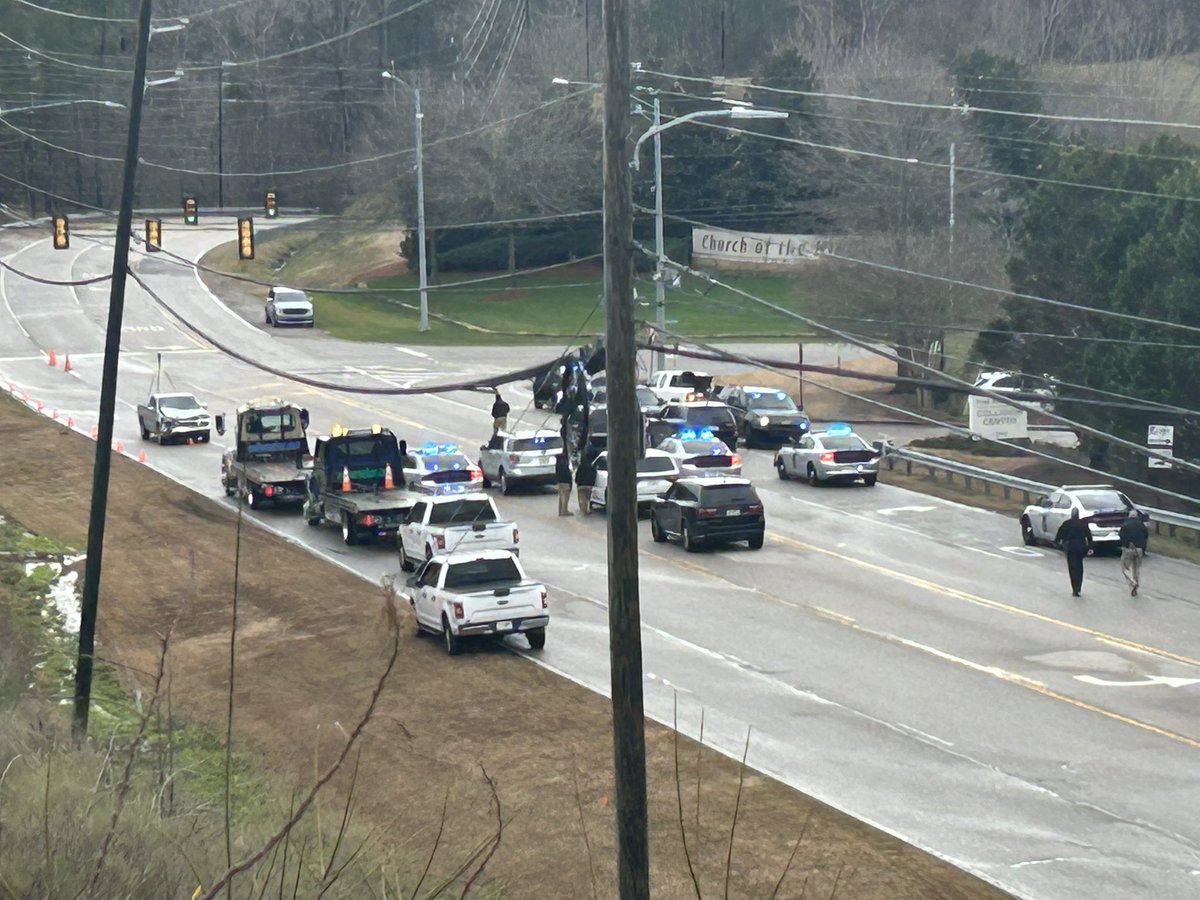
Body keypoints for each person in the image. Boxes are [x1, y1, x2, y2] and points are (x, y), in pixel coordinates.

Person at [1055, 508, 1091, 597]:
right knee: (1079, 568)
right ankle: (1079, 587)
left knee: (1072, 568)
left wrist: (1058, 544)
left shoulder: (1067, 524)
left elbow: (1059, 535)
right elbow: (1089, 536)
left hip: (1070, 548)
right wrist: (1090, 547)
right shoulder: (1083, 524)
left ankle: (1074, 588)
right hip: (1081, 548)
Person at [1118, 510, 1149, 596]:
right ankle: (1135, 587)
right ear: (1137, 516)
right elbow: (1146, 535)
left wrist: (1124, 545)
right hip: (1139, 549)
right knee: (1136, 569)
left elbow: (1121, 535)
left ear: (1129, 516)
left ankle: (1132, 582)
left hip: (1129, 548)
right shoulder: (1141, 525)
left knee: (1124, 568)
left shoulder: (1126, 524)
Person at [575, 451, 597, 515]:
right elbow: (594, 475)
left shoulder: (581, 466)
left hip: (581, 485)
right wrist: (592, 483)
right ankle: (587, 510)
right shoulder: (592, 467)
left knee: (582, 498)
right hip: (589, 485)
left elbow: (577, 475)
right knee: (587, 498)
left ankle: (584, 511)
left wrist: (577, 482)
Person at [555, 451, 574, 516]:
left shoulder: (557, 464)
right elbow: (567, 474)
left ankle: (560, 511)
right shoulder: (564, 465)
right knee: (565, 497)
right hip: (565, 482)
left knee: (561, 497)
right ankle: (564, 511)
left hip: (560, 482)